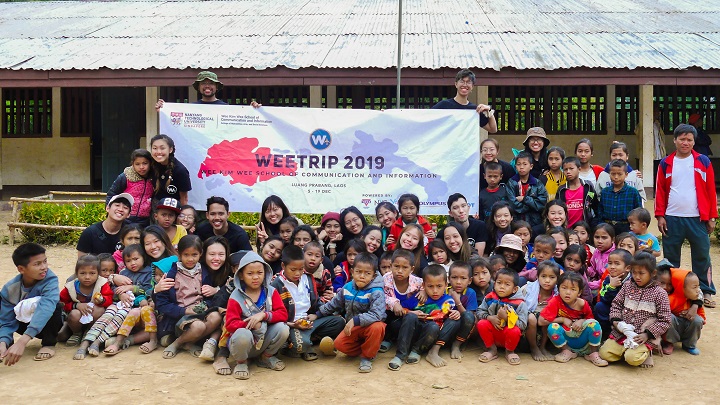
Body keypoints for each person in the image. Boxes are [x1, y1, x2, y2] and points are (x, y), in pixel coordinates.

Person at [656, 123, 718, 307]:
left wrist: (712, 217)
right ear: (674, 140)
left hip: (697, 218)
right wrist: (660, 215)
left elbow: (710, 189)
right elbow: (659, 190)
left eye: (689, 139)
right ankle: (673, 291)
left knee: (702, 256)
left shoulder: (703, 161)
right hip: (672, 218)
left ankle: (705, 291)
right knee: (671, 258)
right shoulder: (665, 163)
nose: (685, 143)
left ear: (694, 141)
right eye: (681, 139)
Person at [315, 252, 386, 373]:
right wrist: (317, 314)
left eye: (367, 273)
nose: (362, 276)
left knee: (378, 327)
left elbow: (377, 314)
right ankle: (368, 348)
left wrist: (355, 320)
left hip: (368, 326)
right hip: (353, 328)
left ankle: (367, 357)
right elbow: (334, 304)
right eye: (358, 272)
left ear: (373, 276)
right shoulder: (347, 287)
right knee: (339, 344)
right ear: (352, 272)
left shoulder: (377, 291)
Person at [271, 246, 344, 361]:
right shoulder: (276, 284)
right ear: (283, 266)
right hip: (291, 324)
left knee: (339, 322)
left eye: (301, 269)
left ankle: (308, 338)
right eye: (293, 269)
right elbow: (274, 314)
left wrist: (318, 314)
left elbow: (316, 302)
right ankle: (297, 345)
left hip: (309, 321)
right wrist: (292, 324)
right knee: (300, 346)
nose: (298, 273)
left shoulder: (308, 278)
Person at [224, 250, 289, 380]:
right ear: (241, 276)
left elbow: (283, 314)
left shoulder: (271, 292)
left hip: (263, 340)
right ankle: (241, 363)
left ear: (265, 274)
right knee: (243, 334)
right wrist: (251, 324)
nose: (255, 277)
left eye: (260, 273)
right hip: (243, 343)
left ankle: (266, 357)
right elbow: (230, 325)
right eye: (250, 273)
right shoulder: (235, 297)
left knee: (283, 328)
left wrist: (263, 316)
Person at [599, 252, 671, 368]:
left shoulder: (660, 293)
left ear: (653, 273)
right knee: (604, 354)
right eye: (634, 272)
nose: (637, 277)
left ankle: (646, 352)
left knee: (632, 359)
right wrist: (616, 322)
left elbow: (665, 321)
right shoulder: (627, 285)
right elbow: (616, 304)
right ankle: (625, 350)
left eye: (641, 273)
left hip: (642, 337)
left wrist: (647, 335)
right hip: (622, 332)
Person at [155, 235, 222, 359]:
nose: (190, 259)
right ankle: (177, 343)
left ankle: (188, 343)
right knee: (198, 326)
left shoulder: (203, 271)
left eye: (194, 255)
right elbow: (162, 303)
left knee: (217, 317)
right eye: (186, 255)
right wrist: (184, 310)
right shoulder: (172, 274)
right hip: (181, 316)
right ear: (179, 254)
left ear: (200, 254)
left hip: (201, 312)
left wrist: (206, 304)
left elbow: (208, 295)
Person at [0, 243, 62, 365]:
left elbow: (46, 308)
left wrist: (22, 341)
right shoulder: (10, 289)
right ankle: (5, 347)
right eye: (37, 264)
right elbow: (6, 320)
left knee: (54, 306)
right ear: (21, 269)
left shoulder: (50, 279)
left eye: (45, 261)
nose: (44, 267)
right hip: (24, 325)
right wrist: (3, 341)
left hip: (48, 325)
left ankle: (49, 344)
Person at [540, 272, 607, 367]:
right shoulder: (555, 301)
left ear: (579, 292)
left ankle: (593, 353)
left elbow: (590, 319)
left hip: (582, 339)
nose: (568, 292)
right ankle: (566, 351)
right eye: (564, 288)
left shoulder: (582, 304)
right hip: (566, 339)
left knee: (594, 324)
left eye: (573, 289)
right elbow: (541, 320)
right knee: (552, 327)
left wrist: (582, 321)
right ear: (558, 289)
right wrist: (562, 319)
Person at [383, 249, 433, 370]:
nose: (400, 271)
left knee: (424, 323)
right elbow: (382, 296)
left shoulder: (416, 281)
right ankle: (393, 346)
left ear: (411, 269)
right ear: (391, 266)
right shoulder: (386, 279)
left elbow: (425, 284)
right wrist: (394, 303)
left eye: (405, 267)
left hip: (410, 319)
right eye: (396, 266)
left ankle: (410, 352)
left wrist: (423, 290)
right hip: (393, 320)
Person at [59, 255, 113, 358]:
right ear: (76, 273)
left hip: (94, 318)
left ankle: (89, 331)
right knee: (74, 314)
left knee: (99, 310)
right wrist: (76, 305)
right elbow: (62, 303)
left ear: (98, 274)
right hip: (77, 318)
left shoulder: (102, 284)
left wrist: (102, 300)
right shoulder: (71, 287)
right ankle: (77, 333)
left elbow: (109, 299)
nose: (87, 277)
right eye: (82, 273)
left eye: (92, 273)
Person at [476, 268, 528, 365]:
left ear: (515, 289)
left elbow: (523, 325)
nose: (502, 287)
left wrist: (507, 318)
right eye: (499, 283)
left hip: (508, 336)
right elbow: (479, 311)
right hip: (493, 333)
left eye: (507, 284)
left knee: (515, 330)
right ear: (494, 283)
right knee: (482, 323)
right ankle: (492, 350)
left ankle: (509, 352)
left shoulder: (520, 304)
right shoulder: (489, 297)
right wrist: (490, 318)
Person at [657, 264, 705, 355]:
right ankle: (668, 342)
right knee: (668, 318)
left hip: (686, 325)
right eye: (662, 283)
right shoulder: (668, 298)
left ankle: (689, 344)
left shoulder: (692, 295)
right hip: (672, 328)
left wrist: (694, 307)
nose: (698, 290)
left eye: (670, 284)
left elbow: (698, 293)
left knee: (697, 320)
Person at [431, 69, 497, 133]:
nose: (465, 85)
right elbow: (428, 118)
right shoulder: (444, 105)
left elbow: (493, 129)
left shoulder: (475, 110)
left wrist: (489, 111)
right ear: (456, 84)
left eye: (468, 82)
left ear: (472, 87)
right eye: (462, 81)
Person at [522, 260, 559, 361]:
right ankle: (534, 348)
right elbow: (517, 304)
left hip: (544, 326)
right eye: (543, 276)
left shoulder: (558, 294)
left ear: (557, 279)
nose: (547, 280)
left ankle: (543, 347)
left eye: (552, 277)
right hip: (526, 324)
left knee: (547, 316)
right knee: (532, 318)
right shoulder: (528, 288)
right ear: (537, 277)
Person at [106, 149, 154, 227]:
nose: (141, 167)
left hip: (145, 219)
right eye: (137, 164)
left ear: (150, 163)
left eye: (145, 163)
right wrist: (110, 213)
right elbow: (112, 194)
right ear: (133, 164)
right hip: (125, 217)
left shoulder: (154, 178)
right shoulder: (126, 177)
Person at [77, 193, 132, 257]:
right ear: (107, 208)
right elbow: (81, 262)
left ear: (128, 215)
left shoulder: (129, 234)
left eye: (125, 207)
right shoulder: (90, 233)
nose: (120, 209)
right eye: (117, 205)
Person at [594, 249, 632, 340]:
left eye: (617, 263)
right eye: (610, 263)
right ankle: (606, 334)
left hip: (628, 311)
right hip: (612, 310)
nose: (612, 267)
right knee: (599, 307)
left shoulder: (633, 281)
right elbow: (603, 298)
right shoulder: (608, 279)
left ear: (627, 268)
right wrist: (611, 287)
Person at [597, 160, 642, 235]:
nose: (616, 177)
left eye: (619, 174)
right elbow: (600, 212)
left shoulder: (633, 192)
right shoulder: (605, 192)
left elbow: (638, 212)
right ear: (609, 174)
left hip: (627, 228)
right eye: (613, 174)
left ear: (626, 174)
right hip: (607, 228)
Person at [506, 151, 548, 228]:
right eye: (519, 164)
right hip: (516, 223)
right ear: (515, 166)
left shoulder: (537, 183)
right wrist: (531, 205)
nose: (521, 167)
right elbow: (512, 205)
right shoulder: (511, 183)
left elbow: (542, 204)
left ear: (531, 166)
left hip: (535, 223)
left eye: (525, 164)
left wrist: (525, 199)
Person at [556, 156, 598, 229]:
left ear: (579, 169)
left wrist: (594, 224)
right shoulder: (561, 190)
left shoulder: (587, 187)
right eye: (565, 169)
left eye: (571, 168)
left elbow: (596, 206)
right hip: (567, 230)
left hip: (584, 229)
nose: (568, 172)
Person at [150, 134, 191, 205]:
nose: (158, 152)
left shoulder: (180, 171)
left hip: (173, 209)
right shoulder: (150, 164)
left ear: (170, 150)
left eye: (162, 148)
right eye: (155, 148)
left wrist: (181, 214)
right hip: (155, 209)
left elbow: (184, 199)